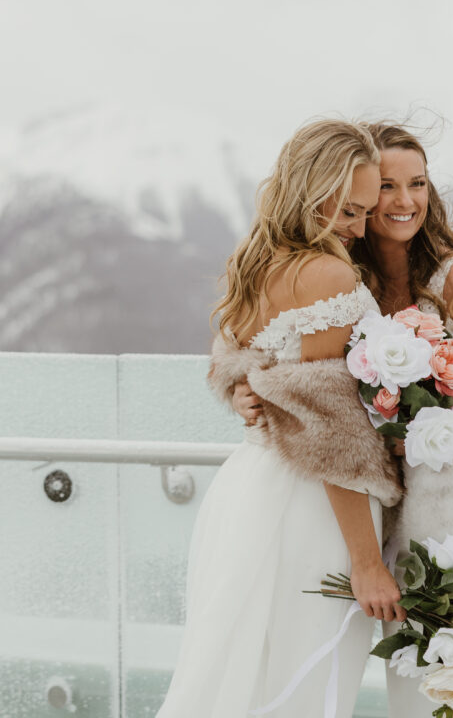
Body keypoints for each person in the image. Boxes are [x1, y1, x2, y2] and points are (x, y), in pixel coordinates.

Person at [235, 121, 453, 718]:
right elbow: (275, 360)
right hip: (382, 508)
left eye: (419, 184)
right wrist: (244, 392)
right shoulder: (343, 278)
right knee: (412, 682)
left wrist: (430, 439)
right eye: (386, 186)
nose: (405, 201)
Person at [157, 119, 405, 718]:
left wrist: (246, 391)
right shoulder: (328, 275)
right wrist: (368, 562)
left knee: (247, 676)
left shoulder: (257, 263)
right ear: (307, 189)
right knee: (306, 685)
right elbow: (328, 434)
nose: (356, 229)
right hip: (312, 510)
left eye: (365, 213)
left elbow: (244, 365)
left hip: (250, 491)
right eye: (347, 211)